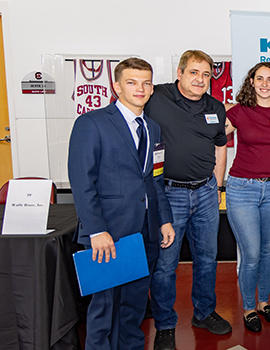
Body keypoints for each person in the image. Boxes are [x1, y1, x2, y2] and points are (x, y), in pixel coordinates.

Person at [68, 58, 175, 349]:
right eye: (132, 82)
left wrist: (164, 219)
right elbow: (82, 182)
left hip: (145, 232)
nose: (140, 88)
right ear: (116, 86)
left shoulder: (152, 128)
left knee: (134, 304)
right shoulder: (92, 123)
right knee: (104, 306)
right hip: (108, 232)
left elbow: (155, 178)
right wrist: (96, 230)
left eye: (146, 82)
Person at [145, 50, 230, 350]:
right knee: (166, 265)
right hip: (169, 194)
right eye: (194, 72)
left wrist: (217, 186)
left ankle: (204, 313)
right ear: (180, 72)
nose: (200, 79)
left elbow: (221, 146)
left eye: (206, 74)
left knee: (207, 259)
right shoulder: (157, 98)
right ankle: (165, 324)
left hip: (206, 192)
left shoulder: (216, 108)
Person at [223, 62, 270, 332]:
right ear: (251, 82)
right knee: (250, 254)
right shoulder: (239, 111)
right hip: (242, 188)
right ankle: (248, 307)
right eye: (259, 78)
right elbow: (211, 137)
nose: (264, 83)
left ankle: (263, 302)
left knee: (267, 250)